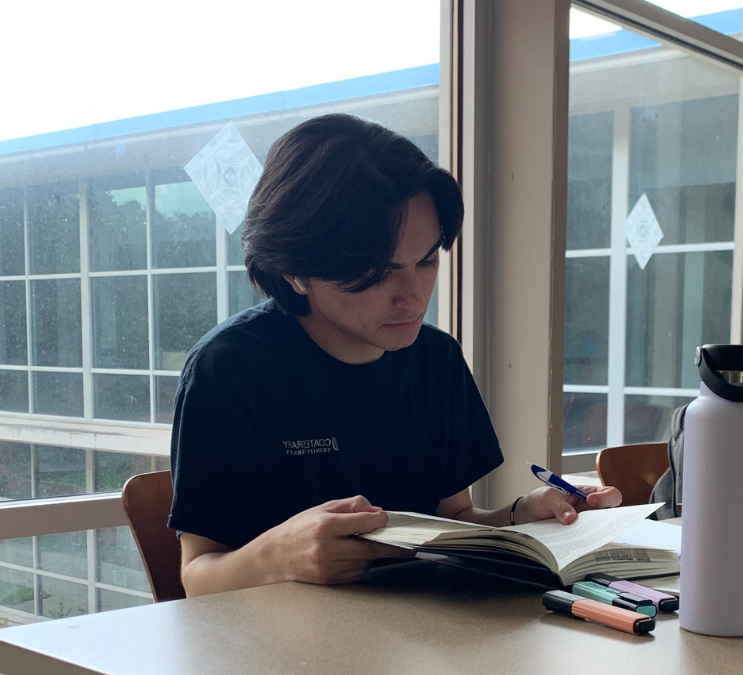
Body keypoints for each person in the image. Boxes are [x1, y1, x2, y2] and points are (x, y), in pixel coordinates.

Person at [168, 114, 621, 597]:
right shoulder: (230, 371)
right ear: (295, 270)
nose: (412, 296)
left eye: (426, 261)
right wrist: (277, 556)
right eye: (376, 272)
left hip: (421, 641)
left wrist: (524, 514)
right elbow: (198, 576)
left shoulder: (435, 360)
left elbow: (455, 520)